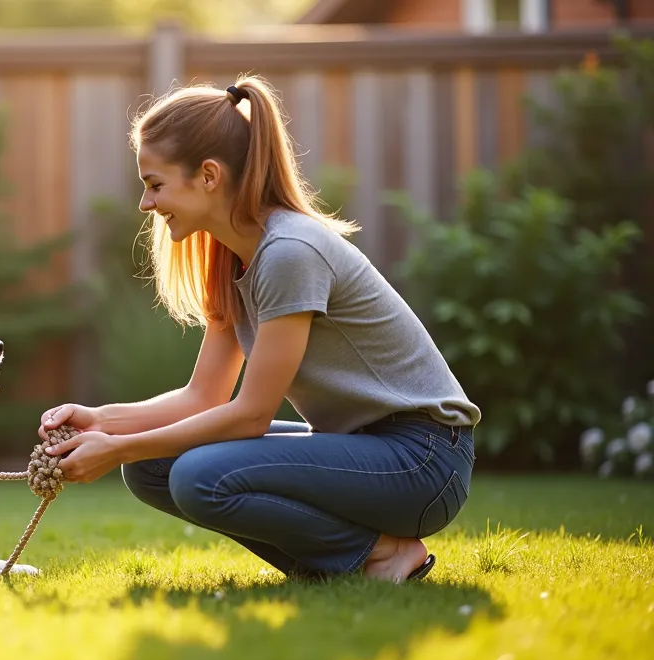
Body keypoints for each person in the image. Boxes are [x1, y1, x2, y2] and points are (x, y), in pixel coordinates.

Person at [37, 75, 480, 583]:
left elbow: (249, 416)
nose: (146, 204)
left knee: (197, 474)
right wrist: (102, 422)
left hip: (422, 461)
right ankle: (343, 568)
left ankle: (379, 555)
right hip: (361, 450)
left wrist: (119, 445)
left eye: (154, 184)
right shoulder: (233, 261)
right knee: (150, 466)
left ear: (208, 175)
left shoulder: (290, 252)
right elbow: (204, 396)